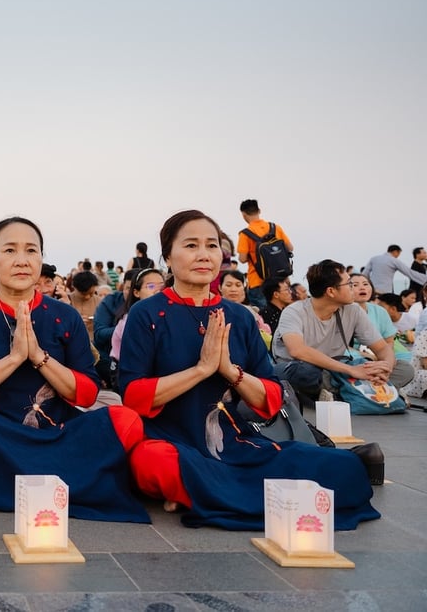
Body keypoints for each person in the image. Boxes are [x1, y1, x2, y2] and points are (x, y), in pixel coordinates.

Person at [120, 210, 379, 530]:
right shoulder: (148, 314)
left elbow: (270, 397)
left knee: (344, 467)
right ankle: (207, 488)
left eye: (212, 246)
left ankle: (199, 492)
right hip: (171, 441)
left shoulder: (239, 317)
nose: (203, 255)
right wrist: (201, 370)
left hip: (236, 442)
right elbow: (133, 396)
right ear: (168, 258)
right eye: (190, 246)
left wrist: (231, 371)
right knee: (151, 463)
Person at [0, 216, 148, 522]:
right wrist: (14, 358)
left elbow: (86, 393)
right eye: (10, 251)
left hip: (57, 434)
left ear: (41, 259)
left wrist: (39, 357)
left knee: (127, 421)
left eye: (31, 251)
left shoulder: (64, 316)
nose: (22, 260)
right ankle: (63, 482)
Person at [272, 260, 413, 406]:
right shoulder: (294, 311)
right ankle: (371, 391)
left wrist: (386, 369)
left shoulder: (353, 310)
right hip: (299, 368)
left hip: (337, 370)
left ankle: (346, 392)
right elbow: (297, 351)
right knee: (305, 373)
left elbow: (382, 348)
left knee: (405, 369)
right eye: (349, 284)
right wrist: (352, 370)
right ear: (331, 291)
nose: (353, 289)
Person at [236, 199, 294, 308]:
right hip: (280, 280)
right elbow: (290, 248)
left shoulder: (245, 234)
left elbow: (243, 259)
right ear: (259, 210)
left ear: (243, 215)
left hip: (258, 281)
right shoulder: (275, 227)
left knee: (263, 318)